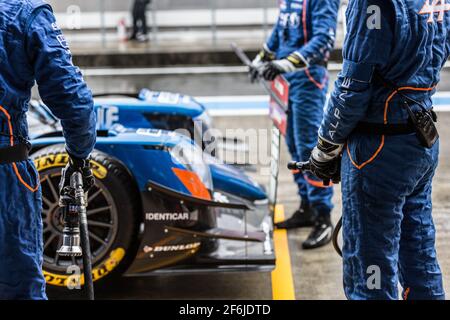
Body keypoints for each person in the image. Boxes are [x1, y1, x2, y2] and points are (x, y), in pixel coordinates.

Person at [307, 0, 449, 299]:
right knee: (419, 253)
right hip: (420, 139)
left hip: (377, 149)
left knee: (371, 268)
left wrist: (325, 147)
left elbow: (353, 87)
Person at [0, 0, 96, 299]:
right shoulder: (24, 13)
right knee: (17, 289)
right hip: (5, 172)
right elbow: (73, 100)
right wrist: (79, 157)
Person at [252, 0, 340, 249]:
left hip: (308, 80)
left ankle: (323, 217)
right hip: (286, 81)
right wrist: (262, 58)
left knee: (309, 148)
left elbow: (324, 39)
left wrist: (285, 63)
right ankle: (307, 207)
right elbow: (280, 29)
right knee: (293, 144)